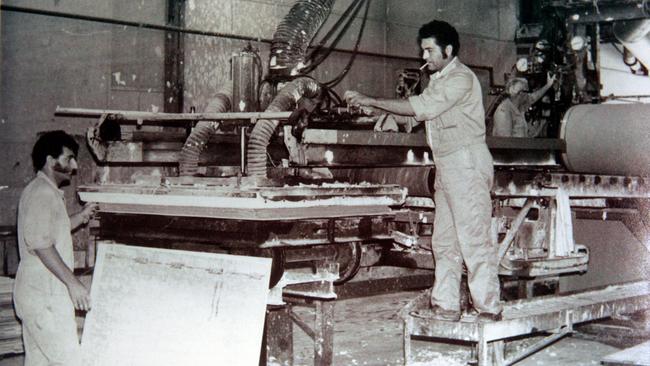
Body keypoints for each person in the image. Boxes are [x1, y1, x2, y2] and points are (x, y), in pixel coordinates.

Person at [344, 20, 502, 321]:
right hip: (445, 164)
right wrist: (380, 112)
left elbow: (424, 108)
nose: (424, 57)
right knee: (444, 240)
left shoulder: (461, 79)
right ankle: (445, 304)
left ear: (448, 50)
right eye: (423, 50)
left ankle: (489, 309)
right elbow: (417, 115)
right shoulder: (440, 80)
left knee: (473, 239)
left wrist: (374, 100)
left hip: (465, 163)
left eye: (429, 50)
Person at [13, 130, 97, 366]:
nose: (74, 166)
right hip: (45, 298)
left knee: (39, 362)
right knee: (69, 361)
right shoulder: (43, 194)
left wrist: (81, 216)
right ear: (51, 161)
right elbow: (42, 245)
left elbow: (49, 231)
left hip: (37, 294)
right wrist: (74, 284)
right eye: (68, 158)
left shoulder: (41, 191)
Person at [492, 73, 556, 137]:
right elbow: (505, 142)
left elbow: (534, 97)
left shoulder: (519, 104)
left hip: (523, 144)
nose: (529, 95)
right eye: (527, 92)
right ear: (520, 93)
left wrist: (548, 85)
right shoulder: (504, 112)